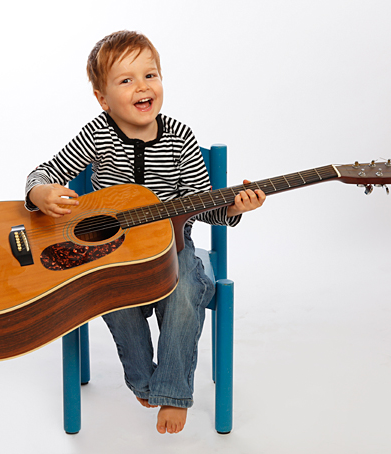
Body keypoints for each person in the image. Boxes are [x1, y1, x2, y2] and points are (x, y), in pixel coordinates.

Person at [25, 30, 266, 434]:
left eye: (150, 75)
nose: (143, 87)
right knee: (109, 297)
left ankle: (171, 392)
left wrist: (232, 209)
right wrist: (40, 191)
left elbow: (202, 205)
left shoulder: (180, 138)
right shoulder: (96, 135)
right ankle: (142, 380)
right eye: (126, 80)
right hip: (112, 254)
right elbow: (46, 171)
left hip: (173, 249)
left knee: (188, 291)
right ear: (103, 99)